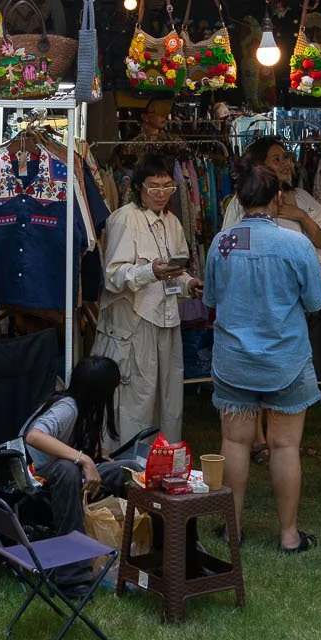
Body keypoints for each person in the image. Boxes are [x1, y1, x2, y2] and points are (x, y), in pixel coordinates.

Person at [205, 165, 321, 550]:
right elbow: (315, 300)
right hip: (286, 359)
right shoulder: (295, 244)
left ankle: (233, 528)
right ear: (278, 198)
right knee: (285, 447)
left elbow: (210, 298)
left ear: (238, 199)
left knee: (235, 443)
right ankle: (289, 535)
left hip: (233, 359)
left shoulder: (222, 243)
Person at [96, 158, 195, 443]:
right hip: (134, 320)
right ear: (139, 188)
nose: (161, 193)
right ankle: (127, 465)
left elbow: (177, 270)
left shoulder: (172, 221)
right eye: (154, 187)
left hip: (165, 318)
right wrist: (149, 271)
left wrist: (190, 284)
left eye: (167, 187)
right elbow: (113, 276)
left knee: (168, 395)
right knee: (134, 398)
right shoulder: (125, 219)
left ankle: (163, 462)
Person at [18, 355, 132, 541]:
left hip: (56, 470)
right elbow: (34, 436)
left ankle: (151, 540)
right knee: (67, 467)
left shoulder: (82, 407)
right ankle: (74, 553)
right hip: (33, 475)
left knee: (130, 469)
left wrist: (92, 454)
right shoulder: (68, 408)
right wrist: (84, 459)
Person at [221, 137, 321, 249]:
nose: (285, 163)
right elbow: (230, 247)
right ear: (260, 165)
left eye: (285, 158)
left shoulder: (301, 197)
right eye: (276, 160)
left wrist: (302, 216)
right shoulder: (244, 200)